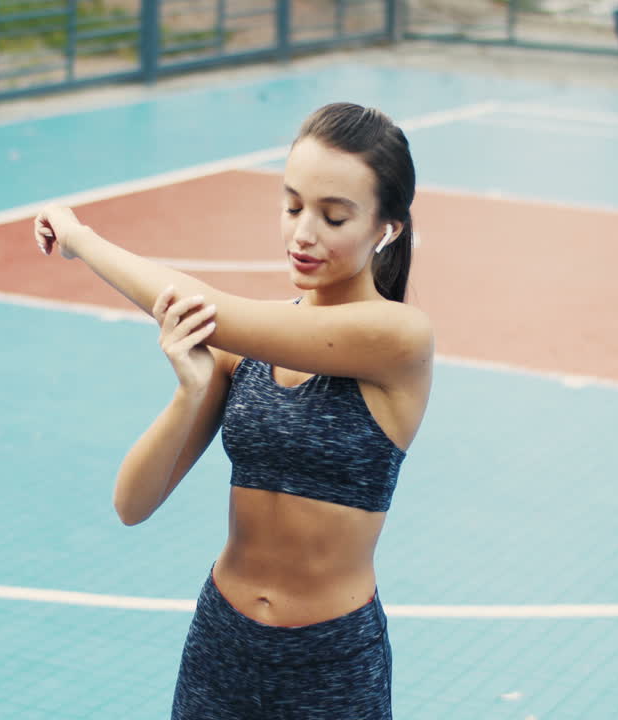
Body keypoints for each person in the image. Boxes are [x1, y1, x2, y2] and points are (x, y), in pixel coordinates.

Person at [34, 102, 433, 719]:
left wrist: (80, 240)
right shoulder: (241, 354)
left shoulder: (398, 338)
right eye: (293, 205)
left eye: (333, 216)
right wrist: (190, 392)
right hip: (222, 646)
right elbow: (131, 505)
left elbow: (205, 307)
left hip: (330, 665)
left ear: (389, 228)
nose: (304, 233)